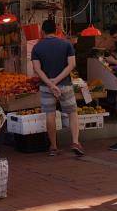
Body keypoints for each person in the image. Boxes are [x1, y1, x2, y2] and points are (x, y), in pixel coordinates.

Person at [31, 19, 84, 157]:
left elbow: (37, 69)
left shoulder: (37, 47)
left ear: (42, 31)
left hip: (46, 87)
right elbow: (71, 65)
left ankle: (53, 147)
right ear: (56, 30)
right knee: (72, 112)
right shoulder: (66, 44)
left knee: (50, 115)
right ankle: (75, 142)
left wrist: (50, 83)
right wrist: (57, 80)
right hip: (65, 85)